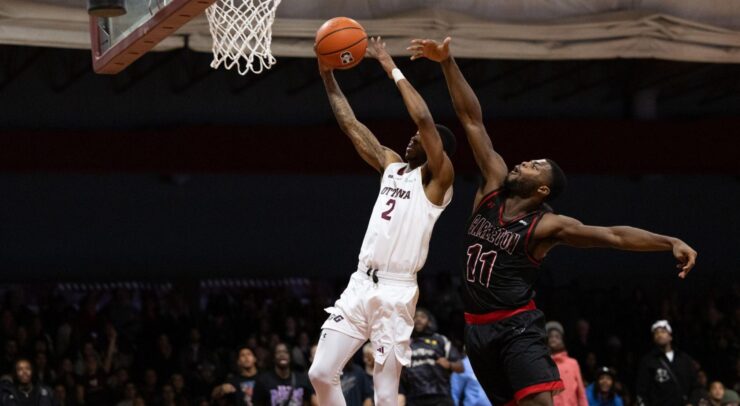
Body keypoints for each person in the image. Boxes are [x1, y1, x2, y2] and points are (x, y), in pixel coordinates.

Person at [409, 37, 698, 406]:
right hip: (475, 329)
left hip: (517, 327)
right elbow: (472, 121)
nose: (522, 163)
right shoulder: (493, 186)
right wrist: (447, 61)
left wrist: (668, 240)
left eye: (534, 165)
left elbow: (612, 235)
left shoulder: (545, 226)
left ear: (542, 189)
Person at [309, 37, 455, 406]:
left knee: (387, 395)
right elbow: (350, 124)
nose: (411, 139)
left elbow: (422, 119)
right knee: (320, 373)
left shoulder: (439, 181)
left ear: (435, 147)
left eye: (419, 140)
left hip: (396, 291)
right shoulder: (392, 166)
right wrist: (327, 75)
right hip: (361, 282)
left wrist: (389, 64)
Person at [402, 308, 463, 406]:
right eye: (415, 317)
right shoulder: (405, 343)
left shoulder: (440, 340)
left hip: (440, 395)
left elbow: (460, 367)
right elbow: (382, 350)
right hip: (414, 397)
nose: (418, 319)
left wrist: (449, 365)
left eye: (422, 317)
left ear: (430, 321)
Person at [636, 320, 698, 405]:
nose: (659, 335)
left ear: (670, 336)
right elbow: (641, 391)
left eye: (663, 332)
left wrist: (692, 403)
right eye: (656, 333)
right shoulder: (648, 361)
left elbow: (695, 386)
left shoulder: (684, 359)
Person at [546, 321, 588, 406]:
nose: (553, 339)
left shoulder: (572, 363)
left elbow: (581, 392)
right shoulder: (544, 363)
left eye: (557, 337)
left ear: (562, 341)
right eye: (550, 337)